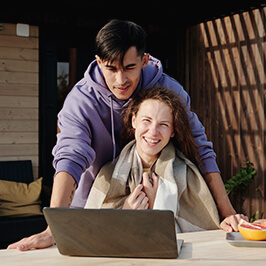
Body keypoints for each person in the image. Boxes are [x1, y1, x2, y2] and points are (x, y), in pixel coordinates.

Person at [8, 19, 242, 251]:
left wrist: (228, 213)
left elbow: (201, 149)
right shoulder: (80, 102)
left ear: (144, 60)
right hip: (95, 207)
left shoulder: (170, 91)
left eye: (130, 67)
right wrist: (54, 228)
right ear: (99, 62)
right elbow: (70, 157)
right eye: (111, 68)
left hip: (163, 211)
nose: (121, 80)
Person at [85, 87, 234, 232]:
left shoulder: (188, 178)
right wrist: (126, 213)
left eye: (163, 124)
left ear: (173, 131)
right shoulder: (108, 174)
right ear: (134, 120)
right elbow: (90, 231)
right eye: (146, 121)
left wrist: (158, 204)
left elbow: (204, 236)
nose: (153, 132)